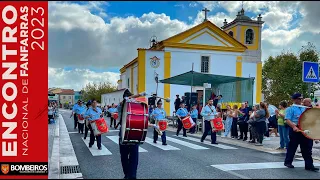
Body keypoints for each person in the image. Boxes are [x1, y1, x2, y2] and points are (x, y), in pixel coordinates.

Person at [116, 89, 148, 179]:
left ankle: (132, 175)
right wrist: (138, 95)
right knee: (125, 156)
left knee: (132, 156)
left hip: (134, 131)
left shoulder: (135, 106)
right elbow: (125, 100)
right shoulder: (121, 105)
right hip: (124, 133)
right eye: (130, 97)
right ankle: (128, 174)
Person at [284, 93, 319, 172]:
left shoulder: (304, 108)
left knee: (307, 148)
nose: (301, 100)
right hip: (296, 130)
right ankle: (288, 162)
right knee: (292, 147)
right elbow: (287, 120)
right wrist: (294, 127)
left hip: (305, 130)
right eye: (299, 99)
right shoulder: (291, 109)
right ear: (294, 99)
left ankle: (309, 165)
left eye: (301, 99)